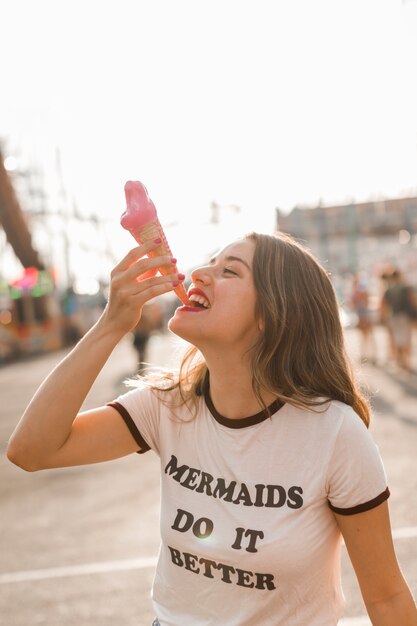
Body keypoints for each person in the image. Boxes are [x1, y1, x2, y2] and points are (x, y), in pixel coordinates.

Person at [7, 233, 417, 626]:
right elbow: (32, 450)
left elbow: (387, 597)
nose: (198, 273)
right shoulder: (168, 404)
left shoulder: (334, 434)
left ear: (274, 314)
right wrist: (111, 324)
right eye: (211, 262)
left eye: (230, 271)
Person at [380, 269, 416, 371]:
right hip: (404, 316)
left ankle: (400, 361)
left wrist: (384, 318)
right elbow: (413, 301)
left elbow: (384, 305)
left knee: (397, 339)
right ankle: (406, 362)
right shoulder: (406, 288)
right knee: (406, 340)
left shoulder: (388, 290)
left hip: (393, 317)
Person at [349, 273, 376, 364]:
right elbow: (367, 302)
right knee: (368, 336)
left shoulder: (354, 293)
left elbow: (352, 305)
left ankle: (365, 355)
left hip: (361, 315)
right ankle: (370, 355)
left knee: (363, 337)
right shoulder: (362, 291)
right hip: (364, 315)